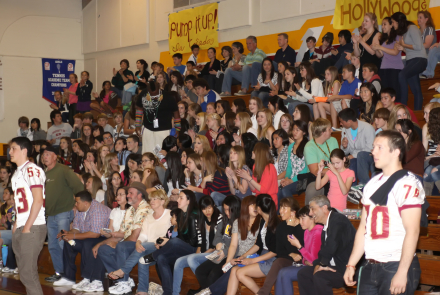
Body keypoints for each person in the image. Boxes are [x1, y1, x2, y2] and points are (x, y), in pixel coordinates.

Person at [344, 130, 425, 295]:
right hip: (370, 264)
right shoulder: (372, 183)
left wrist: (402, 272)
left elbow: (413, 231)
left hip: (395, 263)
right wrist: (351, 264)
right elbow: (363, 229)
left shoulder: (408, 183)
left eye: (379, 147)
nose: (373, 152)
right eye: (373, 147)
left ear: (396, 152)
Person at [106, 190, 171, 295]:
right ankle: (142, 290)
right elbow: (144, 234)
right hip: (149, 248)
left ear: (163, 201)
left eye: (155, 199)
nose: (152, 201)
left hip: (162, 246)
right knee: (142, 259)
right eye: (151, 199)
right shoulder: (149, 216)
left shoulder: (169, 214)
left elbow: (171, 233)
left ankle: (123, 270)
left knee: (144, 246)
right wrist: (138, 242)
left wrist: (142, 243)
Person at [192, 195, 259, 295]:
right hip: (223, 252)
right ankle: (207, 291)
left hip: (235, 255)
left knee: (213, 274)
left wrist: (226, 255)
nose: (227, 213)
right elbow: (218, 237)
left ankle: (208, 291)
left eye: (229, 210)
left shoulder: (246, 222)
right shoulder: (227, 220)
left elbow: (238, 246)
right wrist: (220, 245)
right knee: (200, 271)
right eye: (225, 210)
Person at [139, 190, 201, 295]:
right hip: (182, 248)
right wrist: (166, 241)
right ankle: (168, 292)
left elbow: (194, 242)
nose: (178, 200)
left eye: (181, 198)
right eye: (178, 197)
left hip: (193, 249)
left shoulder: (194, 215)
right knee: (161, 258)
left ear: (189, 201)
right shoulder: (182, 215)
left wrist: (169, 241)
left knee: (174, 241)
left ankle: (153, 256)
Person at [93, 182, 150, 294]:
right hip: (128, 243)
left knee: (121, 247)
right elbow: (121, 233)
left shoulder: (144, 209)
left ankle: (124, 283)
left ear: (139, 195)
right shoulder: (130, 210)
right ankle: (125, 280)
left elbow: (135, 237)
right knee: (103, 249)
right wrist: (103, 242)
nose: (128, 195)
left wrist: (117, 243)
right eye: (128, 193)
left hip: (143, 244)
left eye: (130, 193)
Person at [8, 137, 46, 295]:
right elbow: (21, 201)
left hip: (33, 226)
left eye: (13, 148)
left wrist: (27, 227)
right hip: (22, 225)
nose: (10, 152)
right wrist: (17, 222)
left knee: (28, 276)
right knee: (24, 275)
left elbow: (38, 200)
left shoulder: (32, 169)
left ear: (24, 150)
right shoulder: (17, 173)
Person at [53, 190, 111, 292]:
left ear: (85, 203)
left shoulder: (98, 210)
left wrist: (73, 235)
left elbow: (95, 233)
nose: (75, 204)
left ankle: (88, 279)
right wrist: (68, 233)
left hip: (103, 239)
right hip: (87, 238)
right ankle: (69, 278)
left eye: (77, 202)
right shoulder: (81, 210)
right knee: (69, 243)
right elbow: (77, 228)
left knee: (88, 243)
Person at [297, 195, 356, 295]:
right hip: (334, 266)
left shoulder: (338, 220)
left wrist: (321, 264)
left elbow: (331, 245)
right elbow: (323, 251)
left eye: (312, 209)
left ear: (324, 208)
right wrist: (318, 264)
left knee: (320, 277)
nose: (310, 213)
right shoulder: (326, 226)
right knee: (303, 274)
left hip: (346, 269)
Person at [42, 145, 83, 283]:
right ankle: (59, 273)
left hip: (63, 213)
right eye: (43, 154)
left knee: (62, 244)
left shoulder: (64, 170)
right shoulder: (44, 174)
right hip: (50, 215)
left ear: (55, 156)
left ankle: (68, 275)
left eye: (48, 154)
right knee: (53, 246)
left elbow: (79, 187)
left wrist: (76, 205)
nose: (44, 156)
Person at [227, 194, 280, 295]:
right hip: (263, 256)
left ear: (259, 208)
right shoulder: (263, 222)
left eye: (255, 205)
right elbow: (258, 245)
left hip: (272, 260)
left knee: (240, 272)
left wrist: (252, 260)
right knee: (234, 270)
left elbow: (275, 252)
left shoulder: (275, 224)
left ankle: (262, 294)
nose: (255, 208)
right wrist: (243, 256)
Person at [172, 195, 222, 295]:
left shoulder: (219, 218)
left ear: (214, 206)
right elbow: (200, 241)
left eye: (209, 207)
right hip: (204, 252)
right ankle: (175, 293)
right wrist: (197, 253)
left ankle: (206, 288)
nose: (207, 211)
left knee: (192, 259)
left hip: (216, 252)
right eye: (204, 209)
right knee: (179, 262)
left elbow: (218, 244)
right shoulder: (199, 220)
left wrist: (198, 255)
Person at [275, 205, 323, 295]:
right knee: (281, 272)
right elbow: (304, 257)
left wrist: (299, 247)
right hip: (307, 265)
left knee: (285, 273)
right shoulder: (306, 232)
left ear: (312, 218)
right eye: (299, 218)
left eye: (303, 219)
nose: (300, 222)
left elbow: (313, 260)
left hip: (316, 268)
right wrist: (305, 260)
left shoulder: (318, 232)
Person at [392, 12, 427, 110]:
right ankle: (417, 113)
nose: (393, 24)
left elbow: (419, 46)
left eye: (393, 22)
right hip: (411, 60)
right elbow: (411, 50)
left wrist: (404, 45)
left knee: (402, 75)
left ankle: (403, 105)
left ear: (399, 22)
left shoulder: (412, 28)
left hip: (420, 60)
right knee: (416, 90)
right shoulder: (404, 32)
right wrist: (402, 48)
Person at [135, 82, 180, 153]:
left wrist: (178, 128)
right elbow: (139, 108)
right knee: (147, 153)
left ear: (159, 88)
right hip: (148, 128)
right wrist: (138, 124)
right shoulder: (143, 94)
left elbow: (175, 112)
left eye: (156, 95)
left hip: (163, 130)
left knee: (161, 154)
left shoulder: (168, 96)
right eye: (152, 96)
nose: (154, 98)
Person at [304, 119, 339, 203]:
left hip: (334, 174)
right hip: (317, 177)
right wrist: (333, 169)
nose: (331, 131)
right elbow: (315, 172)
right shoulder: (309, 147)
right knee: (312, 190)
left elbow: (339, 162)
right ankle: (308, 214)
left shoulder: (333, 140)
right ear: (322, 132)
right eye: (329, 129)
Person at [339, 107, 376, 179]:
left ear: (349, 121)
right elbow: (345, 152)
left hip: (368, 157)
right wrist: (344, 146)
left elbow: (370, 149)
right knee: (350, 163)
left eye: (341, 122)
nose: (340, 124)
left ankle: (364, 184)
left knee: (361, 155)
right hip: (355, 157)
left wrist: (354, 155)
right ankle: (352, 187)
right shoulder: (345, 129)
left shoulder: (368, 128)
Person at [238, 142, 279, 206]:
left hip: (269, 202)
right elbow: (254, 189)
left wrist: (249, 178)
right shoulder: (255, 166)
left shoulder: (270, 167)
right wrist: (247, 178)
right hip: (259, 199)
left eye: (254, 151)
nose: (252, 152)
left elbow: (263, 190)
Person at [279, 120, 310, 200]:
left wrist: (291, 180)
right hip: (291, 179)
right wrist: (286, 178)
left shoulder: (308, 146)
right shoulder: (290, 147)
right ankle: (280, 212)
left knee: (285, 189)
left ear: (304, 132)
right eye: (293, 129)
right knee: (278, 190)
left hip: (303, 179)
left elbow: (306, 169)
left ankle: (292, 211)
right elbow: (289, 167)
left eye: (297, 130)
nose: (294, 132)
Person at [372, 17, 403, 97]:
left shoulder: (398, 37)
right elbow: (380, 55)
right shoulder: (383, 39)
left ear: (391, 25)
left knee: (394, 92)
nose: (382, 27)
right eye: (382, 25)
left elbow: (395, 52)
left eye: (385, 24)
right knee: (385, 92)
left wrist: (380, 47)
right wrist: (376, 49)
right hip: (384, 68)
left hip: (395, 68)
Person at [352, 13, 381, 80]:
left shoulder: (377, 34)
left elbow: (373, 52)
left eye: (366, 21)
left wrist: (362, 42)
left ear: (373, 22)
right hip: (363, 66)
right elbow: (357, 54)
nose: (364, 22)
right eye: (363, 21)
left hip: (372, 67)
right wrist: (355, 43)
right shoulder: (363, 36)